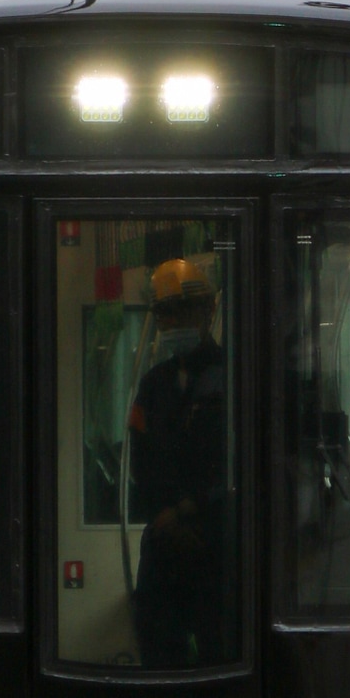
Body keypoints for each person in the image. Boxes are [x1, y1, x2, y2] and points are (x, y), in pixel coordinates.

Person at [128, 257, 230, 668]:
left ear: (209, 310)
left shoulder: (234, 378)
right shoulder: (153, 384)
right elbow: (140, 461)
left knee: (220, 657)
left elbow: (234, 464)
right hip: (164, 546)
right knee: (157, 654)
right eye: (164, 314)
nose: (172, 323)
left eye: (181, 311)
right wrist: (164, 515)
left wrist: (191, 510)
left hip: (217, 545)